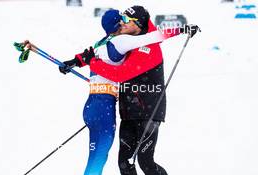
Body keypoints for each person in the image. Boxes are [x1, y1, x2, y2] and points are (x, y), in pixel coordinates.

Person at [75, 6, 199, 175]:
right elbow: (101, 50)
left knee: (145, 161)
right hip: (128, 112)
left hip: (147, 111)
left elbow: (120, 74)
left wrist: (94, 64)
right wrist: (78, 61)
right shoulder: (127, 41)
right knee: (124, 163)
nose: (122, 23)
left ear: (138, 24)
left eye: (126, 20)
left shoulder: (148, 48)